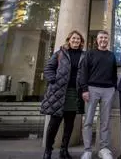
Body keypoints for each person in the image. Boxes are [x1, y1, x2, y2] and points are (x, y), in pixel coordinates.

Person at [41, 30, 86, 159]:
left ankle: (64, 150)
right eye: (74, 38)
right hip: (59, 92)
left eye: (78, 39)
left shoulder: (84, 55)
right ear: (69, 40)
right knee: (54, 123)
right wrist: (53, 80)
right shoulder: (60, 53)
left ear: (81, 41)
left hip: (74, 92)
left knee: (69, 123)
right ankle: (48, 150)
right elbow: (48, 68)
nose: (76, 41)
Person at [80, 30, 117, 159]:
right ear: (97, 40)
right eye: (101, 38)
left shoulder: (111, 55)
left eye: (105, 38)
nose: (103, 40)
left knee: (105, 121)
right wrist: (84, 89)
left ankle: (104, 149)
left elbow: (114, 73)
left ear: (108, 40)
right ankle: (87, 150)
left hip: (108, 90)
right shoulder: (90, 54)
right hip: (92, 89)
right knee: (88, 121)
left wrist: (113, 87)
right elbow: (83, 72)